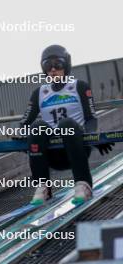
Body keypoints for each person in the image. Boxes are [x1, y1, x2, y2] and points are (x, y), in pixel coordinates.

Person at [20, 44, 114, 205]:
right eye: (47, 66)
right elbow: (25, 122)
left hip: (76, 148)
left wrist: (94, 137)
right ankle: (43, 187)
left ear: (67, 65)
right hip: (53, 155)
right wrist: (23, 137)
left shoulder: (79, 87)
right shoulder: (39, 93)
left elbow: (91, 118)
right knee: (37, 127)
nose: (53, 69)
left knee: (66, 124)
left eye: (58, 64)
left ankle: (83, 184)